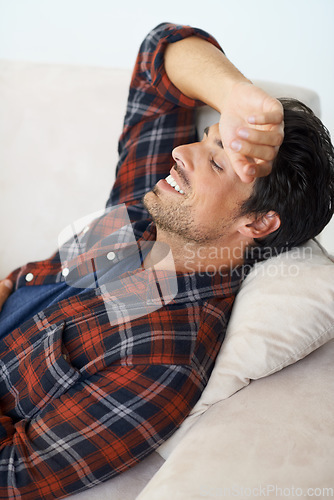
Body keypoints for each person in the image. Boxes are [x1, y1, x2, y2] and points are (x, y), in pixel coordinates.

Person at [0, 22, 333, 499]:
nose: (182, 153)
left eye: (217, 162)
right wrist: (237, 95)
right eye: (209, 137)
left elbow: (14, 475)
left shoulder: (158, 357)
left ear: (258, 223)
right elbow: (161, 54)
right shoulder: (152, 212)